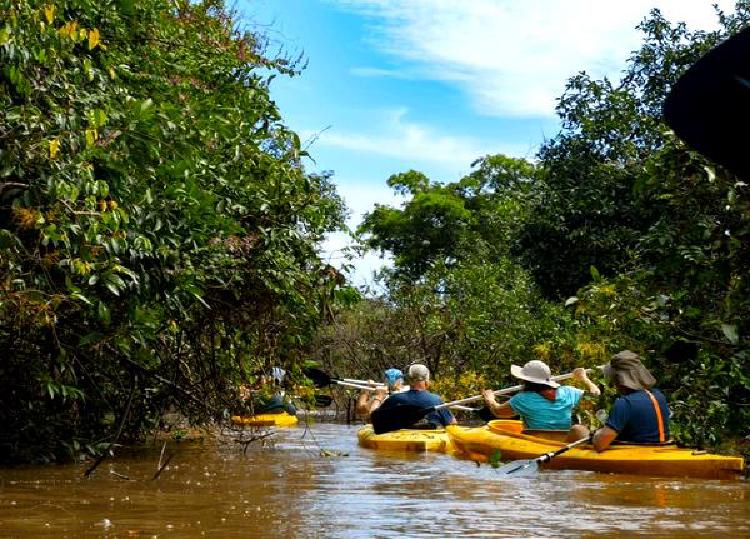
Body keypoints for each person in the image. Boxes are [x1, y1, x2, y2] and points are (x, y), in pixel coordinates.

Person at [481, 360, 600, 441]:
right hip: (563, 441)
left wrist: (490, 399)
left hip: (536, 441)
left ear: (526, 380)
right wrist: (584, 379)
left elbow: (497, 411)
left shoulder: (522, 399)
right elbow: (596, 396)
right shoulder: (568, 392)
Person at [592, 350, 670, 452]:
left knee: (578, 430)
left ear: (618, 379)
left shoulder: (625, 403)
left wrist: (597, 435)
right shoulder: (659, 395)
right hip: (660, 449)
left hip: (638, 453)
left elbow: (600, 445)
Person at [373, 364, 456, 429]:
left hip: (403, 438)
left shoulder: (395, 398)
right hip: (430, 436)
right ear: (427, 381)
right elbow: (452, 423)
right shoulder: (437, 400)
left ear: (409, 380)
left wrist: (378, 397)